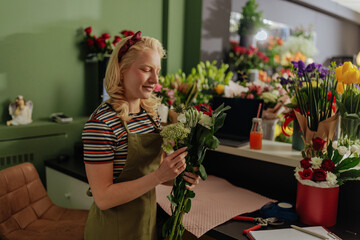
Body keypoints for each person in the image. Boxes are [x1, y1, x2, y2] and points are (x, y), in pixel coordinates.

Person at [82, 31, 201, 240]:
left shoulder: (149, 116)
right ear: (121, 71)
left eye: (157, 71)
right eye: (146, 70)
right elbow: (103, 198)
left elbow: (154, 171)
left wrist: (178, 176)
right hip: (113, 230)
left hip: (146, 225)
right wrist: (158, 176)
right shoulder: (101, 123)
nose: (155, 80)